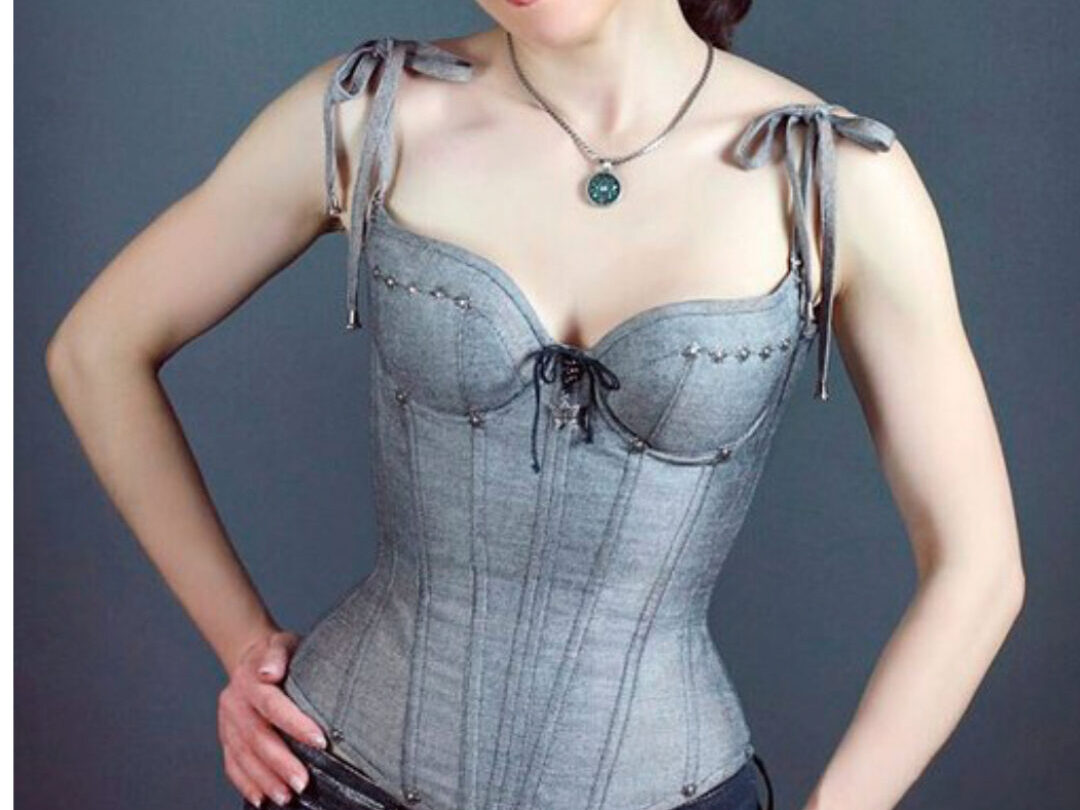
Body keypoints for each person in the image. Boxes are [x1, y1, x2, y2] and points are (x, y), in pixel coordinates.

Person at [44, 2, 1026, 810]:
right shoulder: (371, 112)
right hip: (342, 779)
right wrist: (244, 648)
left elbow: (980, 569)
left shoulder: (834, 177)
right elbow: (95, 350)